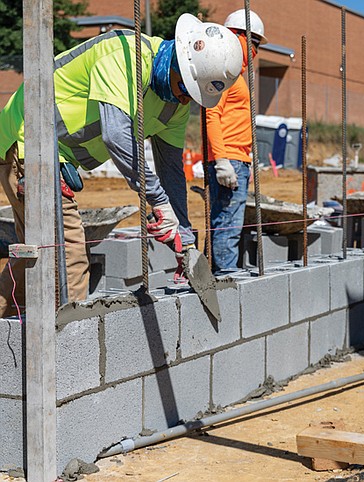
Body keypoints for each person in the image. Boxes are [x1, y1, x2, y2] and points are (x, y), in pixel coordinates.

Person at [0, 14, 243, 315]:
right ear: (177, 59)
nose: (183, 99)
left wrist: (183, 235)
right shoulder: (124, 56)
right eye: (184, 87)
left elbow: (171, 171)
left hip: (57, 153)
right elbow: (117, 136)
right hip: (28, 140)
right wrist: (157, 200)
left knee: (35, 256)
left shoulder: (175, 107)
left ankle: (10, 338)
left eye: (192, 96)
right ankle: (72, 350)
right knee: (68, 258)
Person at [206, 9, 267, 274]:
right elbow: (212, 115)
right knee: (228, 223)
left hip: (238, 159)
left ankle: (221, 273)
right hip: (229, 158)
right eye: (251, 42)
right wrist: (222, 161)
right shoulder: (224, 72)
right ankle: (226, 276)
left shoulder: (237, 75)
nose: (254, 50)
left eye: (257, 45)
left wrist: (247, 160)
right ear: (235, 37)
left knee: (229, 219)